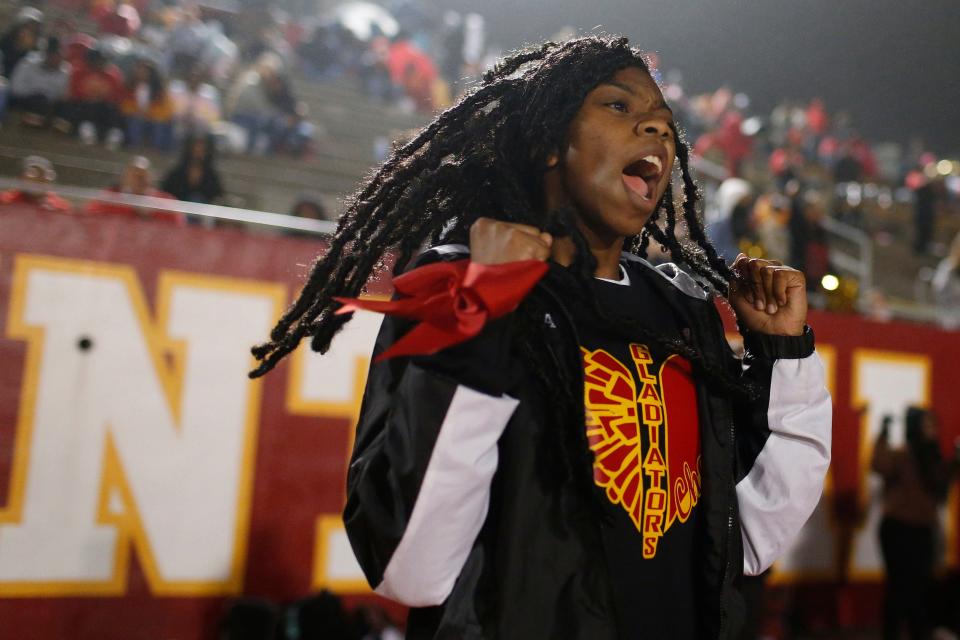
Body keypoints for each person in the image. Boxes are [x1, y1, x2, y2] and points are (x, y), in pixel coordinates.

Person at [249, 36, 832, 639]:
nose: (657, 128)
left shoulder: (680, 311)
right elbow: (411, 569)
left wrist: (782, 354)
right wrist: (480, 316)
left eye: (663, 121)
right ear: (548, 141)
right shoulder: (456, 285)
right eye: (619, 107)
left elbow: (751, 534)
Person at [871, 408, 960, 640]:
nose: (931, 431)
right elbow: (880, 464)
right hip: (898, 529)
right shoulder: (905, 453)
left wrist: (957, 460)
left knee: (919, 590)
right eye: (926, 426)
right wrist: (883, 433)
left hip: (921, 530)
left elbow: (942, 479)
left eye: (934, 426)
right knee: (899, 589)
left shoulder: (932, 457)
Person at [84, 156, 184, 224]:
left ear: (151, 177)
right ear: (125, 177)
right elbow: (89, 219)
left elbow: (178, 229)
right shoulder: (109, 198)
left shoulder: (166, 202)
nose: (139, 179)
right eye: (135, 175)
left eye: (143, 175)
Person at [8, 35, 70, 127]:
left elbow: (62, 94)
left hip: (49, 104)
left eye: (58, 56)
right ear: (46, 55)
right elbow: (15, 87)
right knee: (37, 99)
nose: (55, 60)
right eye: (52, 56)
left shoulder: (65, 71)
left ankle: (40, 120)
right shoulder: (28, 63)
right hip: (25, 98)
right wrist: (36, 92)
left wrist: (49, 98)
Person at [120, 58, 175, 150]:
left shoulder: (159, 90)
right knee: (135, 121)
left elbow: (166, 110)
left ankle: (156, 149)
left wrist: (150, 114)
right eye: (139, 70)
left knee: (159, 125)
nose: (141, 73)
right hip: (135, 116)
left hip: (154, 118)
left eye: (144, 71)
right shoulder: (130, 87)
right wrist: (136, 112)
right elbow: (124, 105)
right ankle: (133, 145)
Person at [161, 133, 225, 205]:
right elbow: (167, 191)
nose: (198, 151)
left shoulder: (211, 174)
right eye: (195, 148)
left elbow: (217, 195)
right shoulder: (177, 172)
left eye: (201, 149)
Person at [0, 155, 72, 212]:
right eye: (33, 174)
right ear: (21, 177)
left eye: (43, 177)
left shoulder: (59, 207)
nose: (38, 180)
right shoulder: (5, 201)